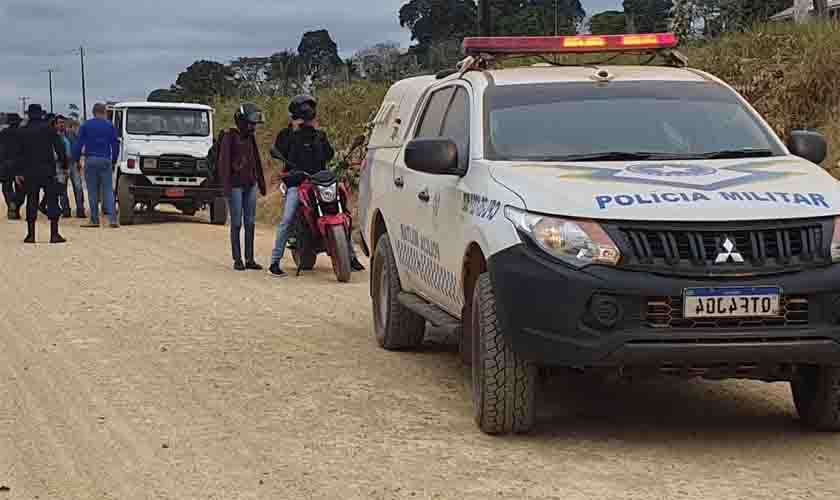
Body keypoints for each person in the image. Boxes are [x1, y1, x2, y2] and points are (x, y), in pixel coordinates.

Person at [269, 94, 365, 277]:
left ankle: (351, 256)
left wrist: (318, 135)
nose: (308, 119)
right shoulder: (286, 135)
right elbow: (280, 150)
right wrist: (294, 132)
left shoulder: (319, 135)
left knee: (342, 211)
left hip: (320, 182)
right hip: (297, 183)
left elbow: (328, 154)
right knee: (287, 219)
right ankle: (274, 261)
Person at [216, 103, 268, 271]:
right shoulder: (228, 136)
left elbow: (256, 161)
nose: (253, 127)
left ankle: (250, 259)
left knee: (250, 223)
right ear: (241, 121)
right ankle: (237, 259)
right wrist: (225, 189)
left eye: (254, 124)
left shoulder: (250, 138)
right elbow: (223, 164)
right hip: (235, 186)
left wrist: (261, 183)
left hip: (250, 185)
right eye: (251, 123)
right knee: (237, 223)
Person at [16, 104, 67, 243]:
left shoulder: (23, 131)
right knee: (52, 201)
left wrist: (18, 172)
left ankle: (31, 235)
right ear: (41, 114)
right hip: (48, 171)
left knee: (32, 200)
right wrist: (64, 165)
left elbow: (18, 154)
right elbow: (60, 148)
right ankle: (54, 234)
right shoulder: (49, 129)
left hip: (29, 172)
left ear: (29, 114)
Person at [73, 103, 119, 228]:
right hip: (105, 159)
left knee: (92, 191)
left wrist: (76, 159)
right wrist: (114, 160)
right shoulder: (110, 126)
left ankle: (94, 220)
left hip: (91, 160)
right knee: (108, 190)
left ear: (93, 112)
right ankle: (113, 219)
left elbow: (78, 144)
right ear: (104, 112)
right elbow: (115, 144)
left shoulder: (86, 125)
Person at [0, 113, 23, 220]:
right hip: (19, 165)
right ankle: (16, 207)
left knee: (6, 188)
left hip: (5, 165)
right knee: (20, 189)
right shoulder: (22, 133)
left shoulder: (3, 133)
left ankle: (10, 203)